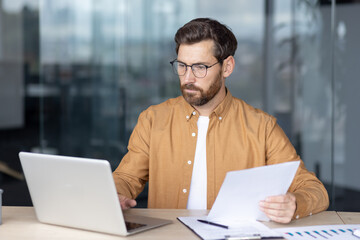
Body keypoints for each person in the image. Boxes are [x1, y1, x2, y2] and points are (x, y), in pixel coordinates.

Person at [112, 18, 329, 223]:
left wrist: (294, 204)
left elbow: (313, 189)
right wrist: (116, 194)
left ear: (227, 67)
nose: (187, 78)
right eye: (182, 65)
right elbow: (126, 178)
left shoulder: (262, 127)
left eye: (199, 67)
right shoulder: (153, 120)